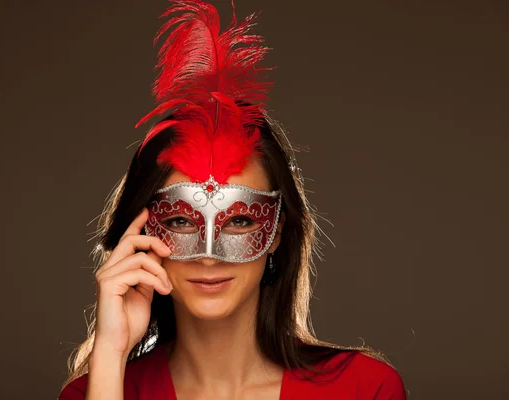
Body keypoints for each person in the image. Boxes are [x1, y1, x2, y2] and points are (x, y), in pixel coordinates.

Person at [58, 1, 407, 399]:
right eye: (180, 221)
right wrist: (109, 353)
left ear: (277, 230)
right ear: (140, 236)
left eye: (240, 220)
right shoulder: (98, 389)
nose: (209, 255)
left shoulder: (364, 389)